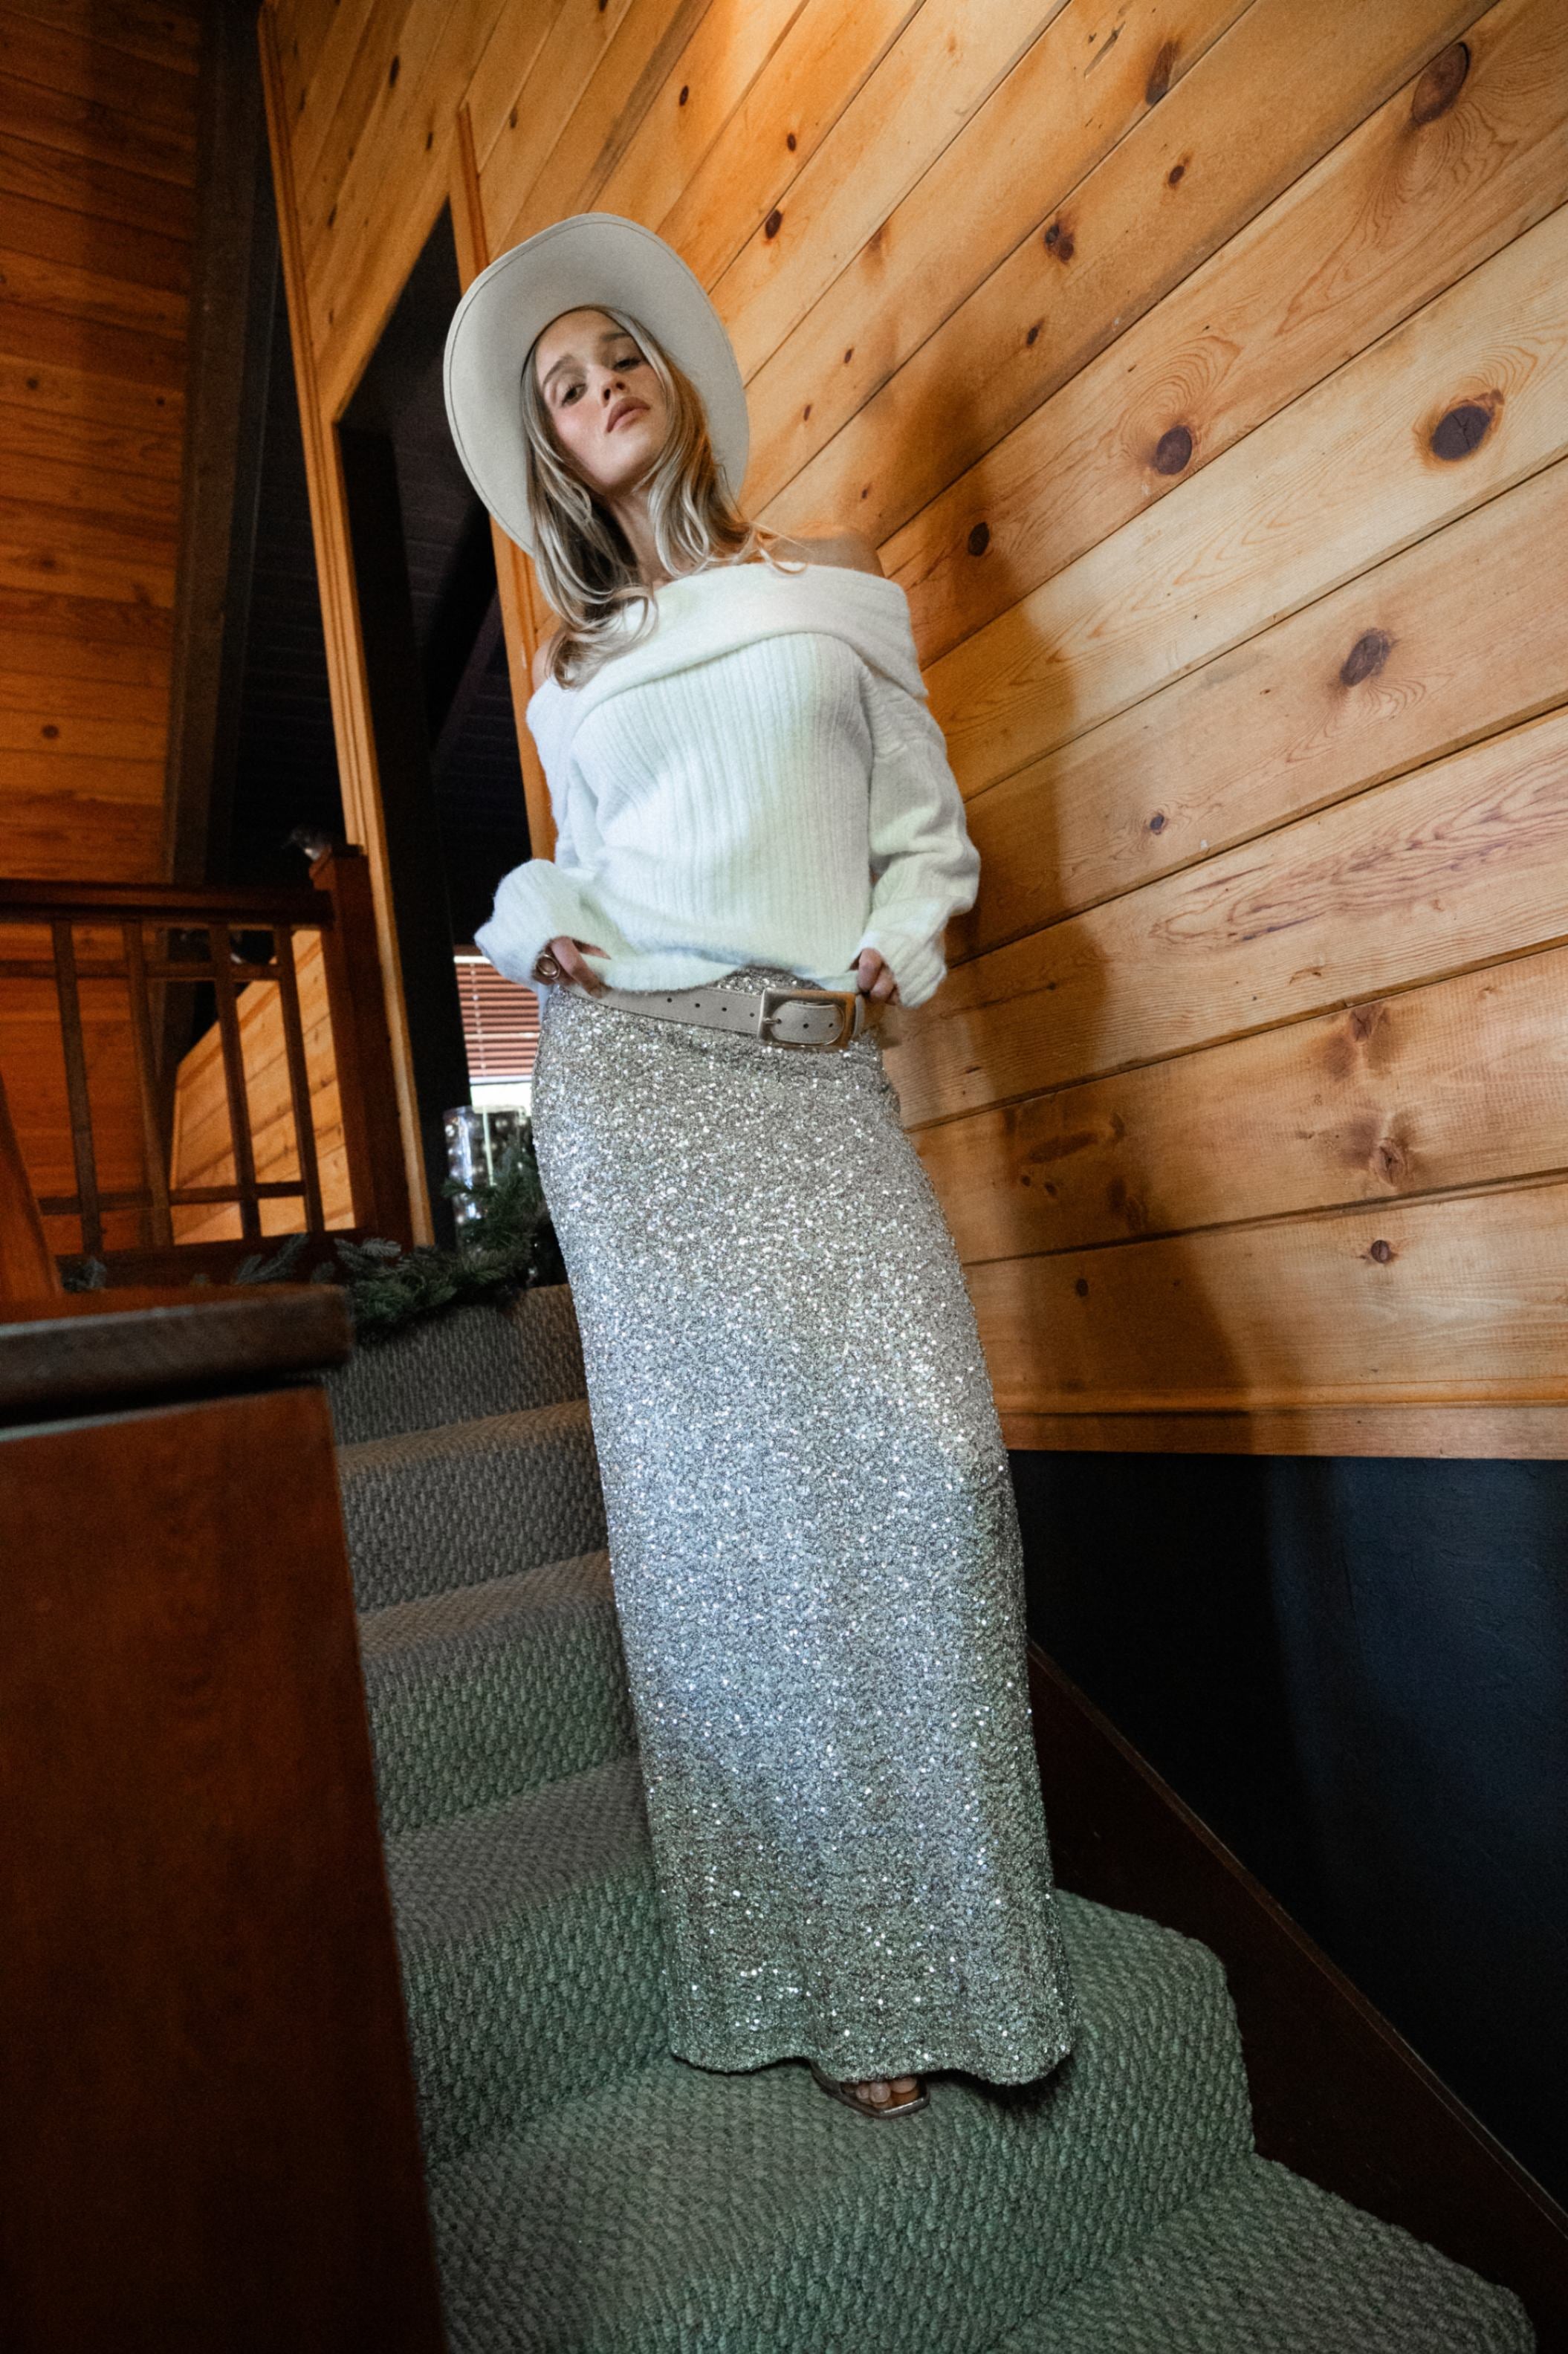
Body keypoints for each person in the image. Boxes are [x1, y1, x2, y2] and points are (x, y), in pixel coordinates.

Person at [444, 213, 1077, 2121]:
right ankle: (817, 1980)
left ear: (670, 382)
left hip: (812, 1076)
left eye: (615, 355)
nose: (598, 388)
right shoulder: (571, 671)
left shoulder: (834, 592)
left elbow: (922, 832)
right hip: (640, 1088)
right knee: (728, 1552)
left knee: (931, 1475)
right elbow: (582, 869)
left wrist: (897, 943)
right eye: (562, 385)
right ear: (552, 449)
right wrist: (534, 919)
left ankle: (957, 1959)